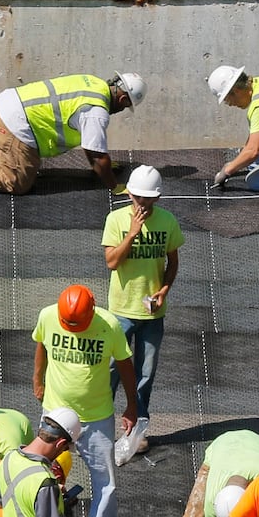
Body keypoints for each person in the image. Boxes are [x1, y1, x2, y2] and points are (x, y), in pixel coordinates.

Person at [31, 283, 139, 517]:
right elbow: (41, 343)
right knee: (40, 471)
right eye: (69, 324)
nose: (73, 328)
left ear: (92, 312)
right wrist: (38, 378)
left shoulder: (109, 325)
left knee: (105, 480)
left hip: (96, 416)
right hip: (56, 412)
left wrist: (132, 405)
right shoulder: (48, 316)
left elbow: (125, 364)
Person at [0, 72, 146, 201]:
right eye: (126, 106)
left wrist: (106, 165)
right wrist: (114, 186)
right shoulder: (96, 111)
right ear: (123, 99)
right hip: (14, 126)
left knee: (23, 168)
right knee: (18, 183)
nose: (122, 110)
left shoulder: (92, 82)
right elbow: (97, 157)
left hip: (6, 108)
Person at [103, 164, 183, 448]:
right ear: (129, 195)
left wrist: (164, 290)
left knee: (145, 371)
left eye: (146, 198)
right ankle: (102, 426)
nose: (141, 203)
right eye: (136, 197)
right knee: (112, 368)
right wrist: (132, 233)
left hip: (152, 312)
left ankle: (136, 430)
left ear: (157, 198)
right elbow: (112, 262)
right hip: (121, 310)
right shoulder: (116, 219)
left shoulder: (167, 222)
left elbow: (172, 261)